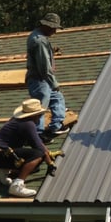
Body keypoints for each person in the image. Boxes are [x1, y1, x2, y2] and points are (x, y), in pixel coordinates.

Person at [0, 99, 57, 198]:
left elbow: (37, 142)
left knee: (34, 166)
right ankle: (17, 186)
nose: (40, 117)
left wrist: (48, 154)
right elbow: (39, 148)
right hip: (0, 155)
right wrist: (50, 164)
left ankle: (3, 170)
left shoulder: (18, 121)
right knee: (38, 155)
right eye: (39, 114)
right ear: (34, 115)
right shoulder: (28, 124)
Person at [26, 12, 70, 143]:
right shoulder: (39, 41)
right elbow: (45, 68)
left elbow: (42, 56)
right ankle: (37, 135)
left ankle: (56, 126)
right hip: (40, 80)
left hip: (41, 79)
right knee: (40, 107)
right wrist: (54, 83)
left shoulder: (39, 37)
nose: (54, 31)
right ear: (46, 26)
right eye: (53, 28)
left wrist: (51, 50)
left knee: (57, 98)